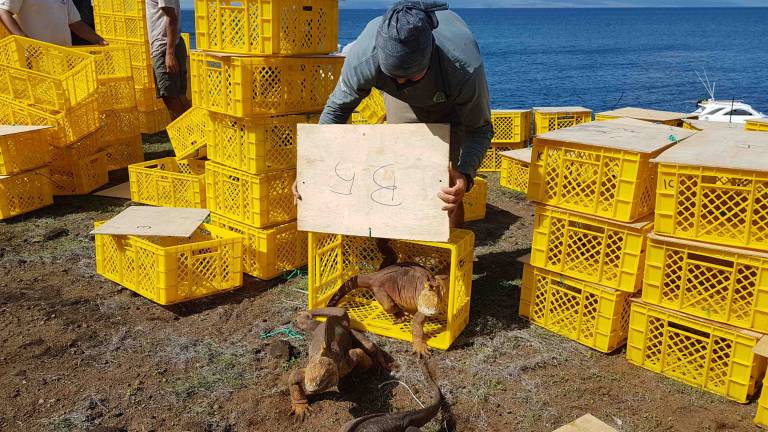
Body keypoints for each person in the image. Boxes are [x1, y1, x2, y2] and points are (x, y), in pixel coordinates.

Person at [294, 1, 493, 229]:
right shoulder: (364, 56)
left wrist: (465, 175)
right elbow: (337, 110)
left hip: (448, 103)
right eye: (393, 75)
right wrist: (311, 169)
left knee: (444, 185)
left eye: (410, 77)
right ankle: (396, 252)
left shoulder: (463, 68)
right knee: (399, 170)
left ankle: (447, 252)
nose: (401, 82)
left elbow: (480, 129)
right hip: (400, 99)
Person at [146, 0, 190, 120]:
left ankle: (185, 136)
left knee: (171, 97)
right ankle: (197, 134)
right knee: (177, 96)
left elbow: (172, 17)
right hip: (165, 46)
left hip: (165, 47)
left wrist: (169, 53)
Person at [0, 0, 107, 46]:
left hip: (61, 57)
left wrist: (100, 40)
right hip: (35, 58)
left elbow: (76, 23)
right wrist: (26, 42)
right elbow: (3, 11)